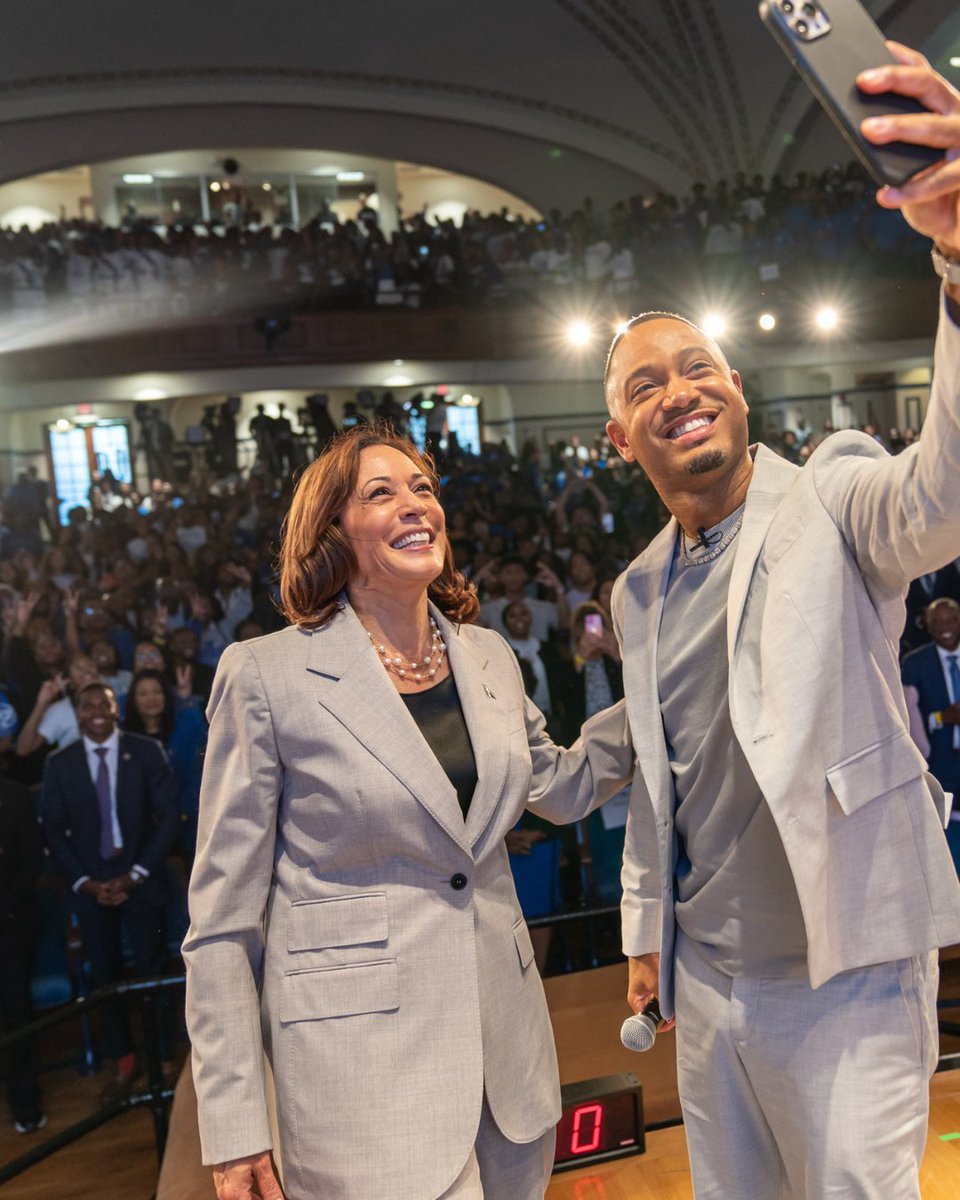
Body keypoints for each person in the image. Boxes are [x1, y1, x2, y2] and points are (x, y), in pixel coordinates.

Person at [601, 45, 960, 1200]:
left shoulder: (834, 490)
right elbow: (662, 779)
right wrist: (644, 940)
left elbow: (938, 503)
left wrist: (956, 259)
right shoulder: (636, 588)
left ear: (739, 387)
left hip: (845, 962)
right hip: (705, 980)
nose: (679, 389)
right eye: (645, 385)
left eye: (696, 366)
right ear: (621, 440)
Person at [182, 424, 632, 1200]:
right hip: (361, 1085)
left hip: (508, 1066)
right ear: (333, 532)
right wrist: (234, 1127)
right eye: (380, 493)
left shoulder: (486, 654)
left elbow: (559, 784)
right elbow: (222, 922)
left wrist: (665, 692)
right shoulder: (265, 675)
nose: (415, 504)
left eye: (423, 488)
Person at [41, 681, 180, 1104]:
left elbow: (169, 817)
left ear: (116, 708)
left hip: (141, 879)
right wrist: (86, 882)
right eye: (87, 706)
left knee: (153, 972)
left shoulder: (143, 751)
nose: (97, 711)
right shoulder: (59, 763)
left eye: (104, 703)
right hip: (92, 886)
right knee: (106, 979)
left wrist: (135, 874)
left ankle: (166, 1059)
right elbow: (53, 830)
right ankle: (123, 1063)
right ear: (78, 713)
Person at [902, 597, 960, 870]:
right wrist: (941, 718)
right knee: (944, 837)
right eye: (937, 621)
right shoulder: (915, 663)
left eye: (951, 620)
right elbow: (907, 716)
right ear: (927, 624)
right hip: (939, 760)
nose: (944, 627)